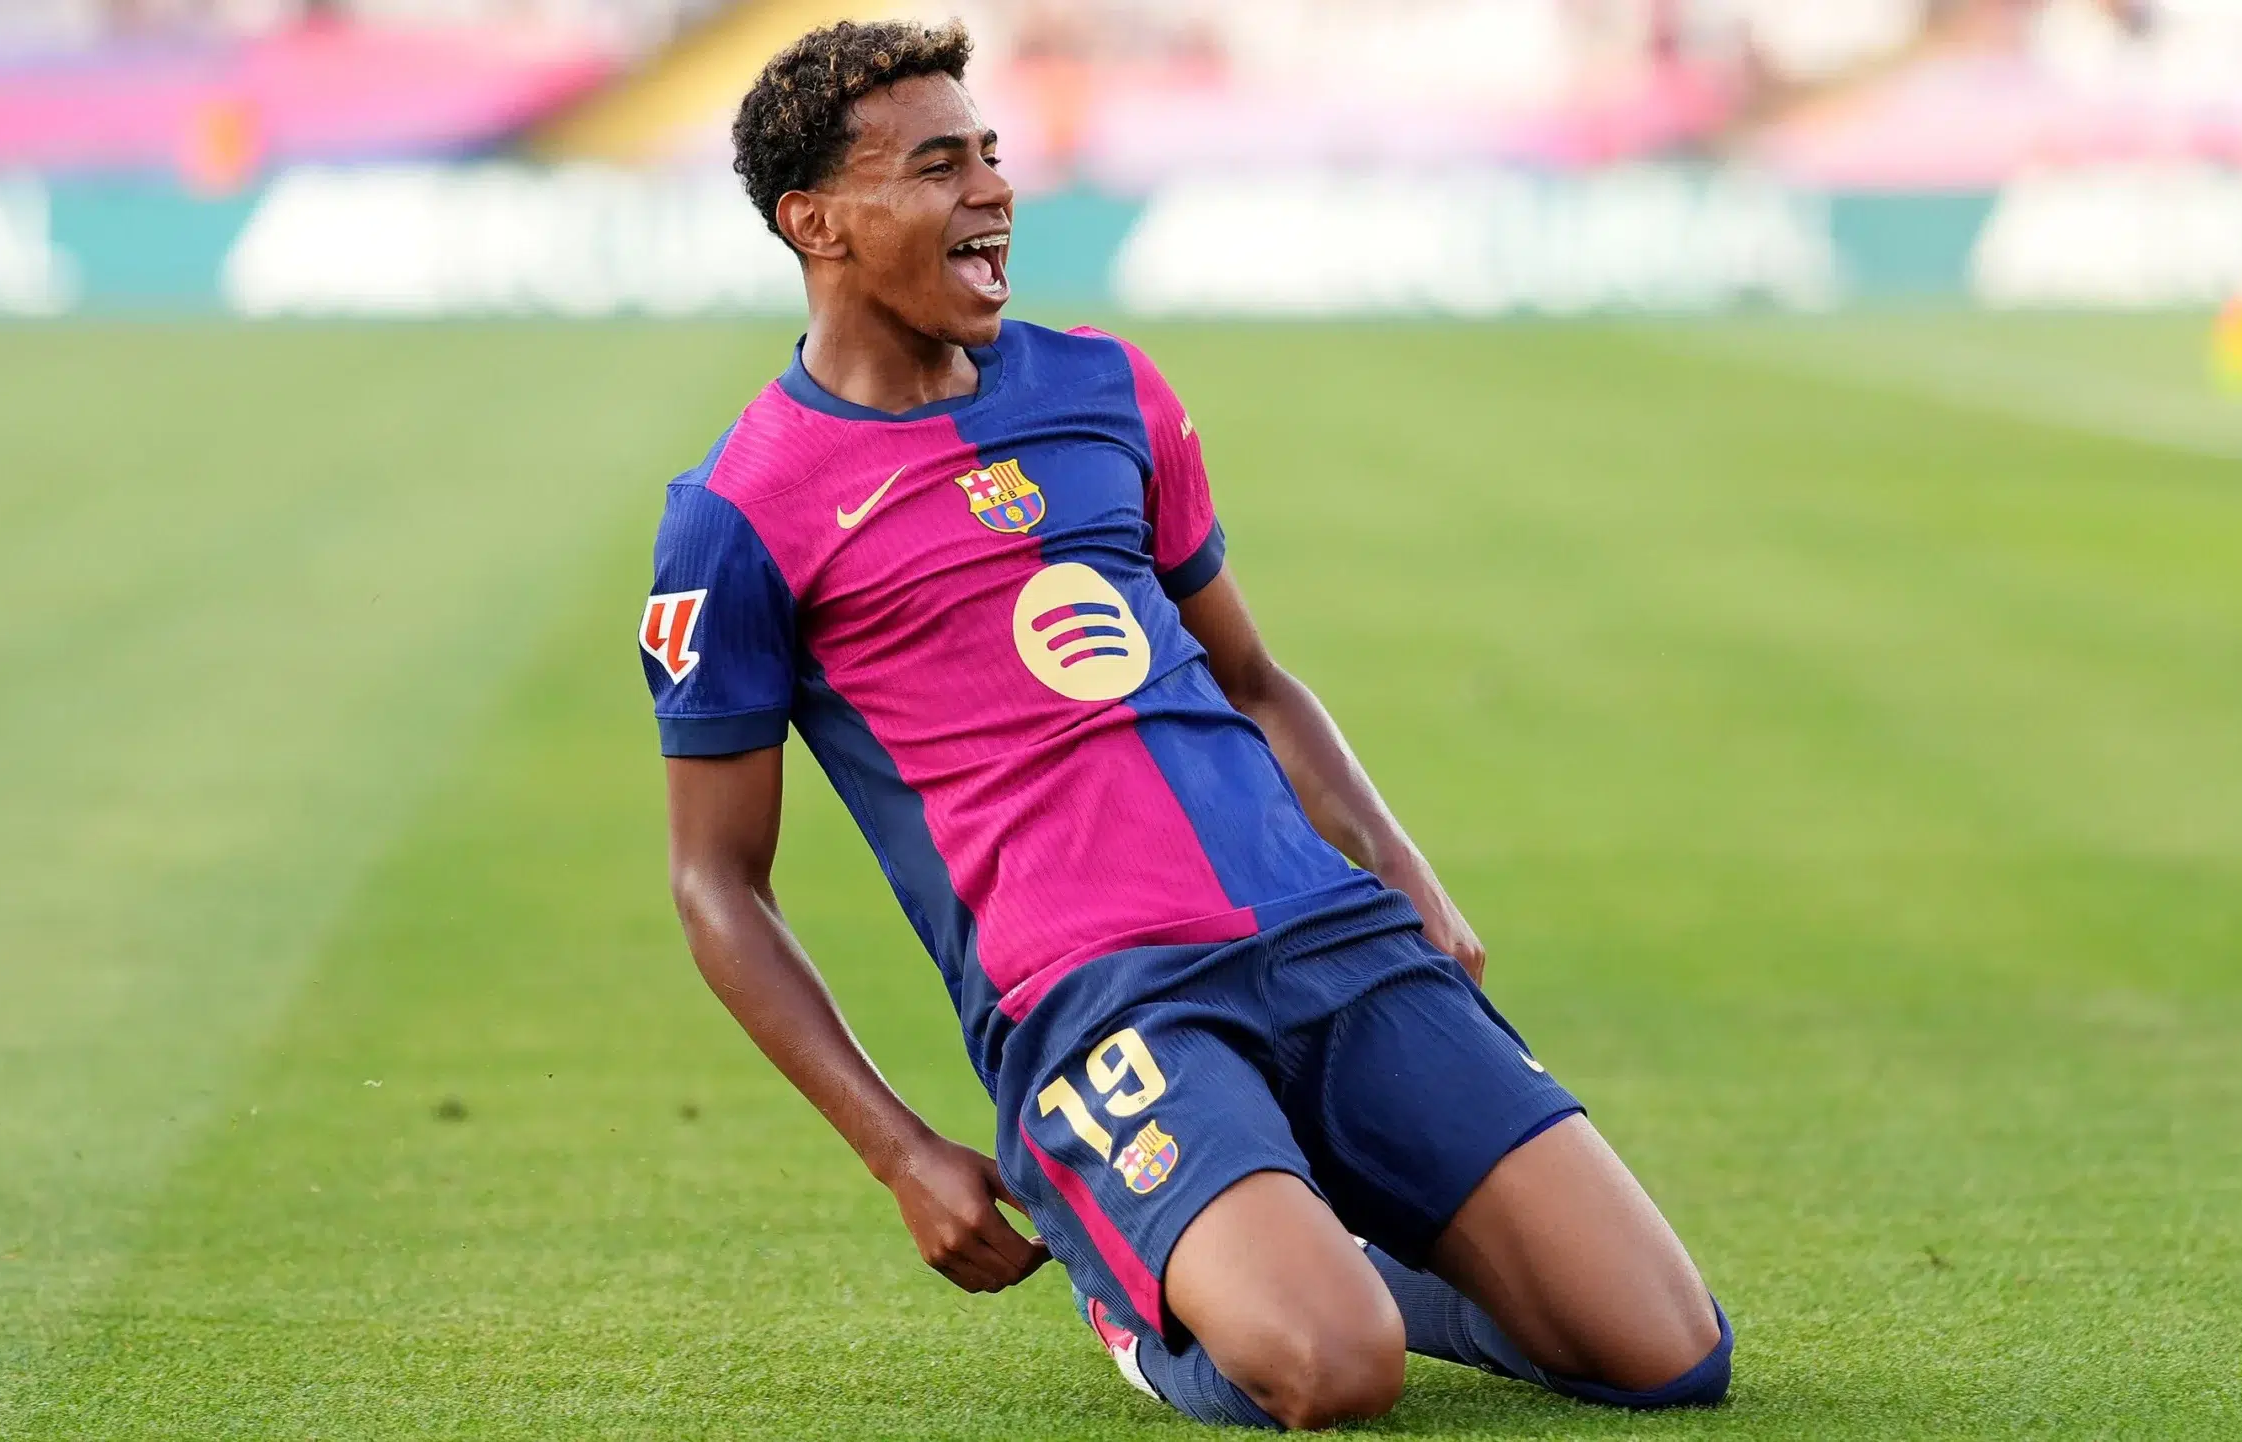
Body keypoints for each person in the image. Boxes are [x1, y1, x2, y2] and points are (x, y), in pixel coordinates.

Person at [642, 19, 1730, 1430]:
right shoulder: (739, 513)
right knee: (1332, 1370)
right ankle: (1147, 1300)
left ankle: (1311, 1250)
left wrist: (1407, 873)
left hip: (1325, 932)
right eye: (937, 165)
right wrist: (899, 1150)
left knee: (1667, 1355)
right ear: (817, 223)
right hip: (1102, 1000)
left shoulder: (1106, 387)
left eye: (990, 154)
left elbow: (1257, 682)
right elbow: (716, 883)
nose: (992, 189)